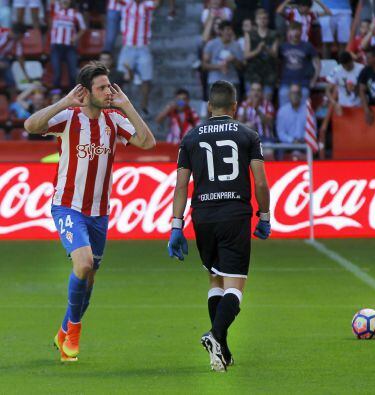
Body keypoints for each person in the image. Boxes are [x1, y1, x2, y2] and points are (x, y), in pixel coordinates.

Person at [24, 62, 156, 362]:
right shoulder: (68, 118)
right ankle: (74, 330)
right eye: (102, 88)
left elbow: (148, 143)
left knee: (90, 277)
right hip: (67, 206)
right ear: (86, 92)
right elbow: (30, 126)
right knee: (82, 265)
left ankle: (62, 330)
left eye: (109, 86)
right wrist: (66, 100)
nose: (108, 92)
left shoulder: (114, 120)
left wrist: (127, 104)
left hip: (99, 212)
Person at [168, 80, 271, 372]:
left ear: (210, 107)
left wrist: (177, 226)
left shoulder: (190, 137)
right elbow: (260, 181)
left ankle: (222, 350)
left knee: (215, 280)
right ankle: (214, 335)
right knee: (235, 286)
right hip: (234, 214)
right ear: (235, 106)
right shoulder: (248, 134)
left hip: (203, 216)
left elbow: (180, 186)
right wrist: (264, 216)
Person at [117, 0, 160, 116]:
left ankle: (144, 105)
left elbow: (157, 3)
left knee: (147, 78)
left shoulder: (147, 5)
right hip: (128, 47)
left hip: (143, 47)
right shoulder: (126, 3)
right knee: (122, 77)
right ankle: (120, 105)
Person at [278, 22, 321, 107]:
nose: (295, 33)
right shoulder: (282, 46)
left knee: (304, 107)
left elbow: (318, 64)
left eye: (297, 30)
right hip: (286, 82)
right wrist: (278, 78)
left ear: (301, 32)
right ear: (288, 32)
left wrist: (314, 80)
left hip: (303, 83)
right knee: (283, 101)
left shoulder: (308, 46)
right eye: (292, 30)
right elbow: (277, 63)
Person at [49, 0, 87, 90]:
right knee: (57, 73)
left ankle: (72, 95)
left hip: (70, 47)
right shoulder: (55, 10)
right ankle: (56, 95)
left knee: (73, 73)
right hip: (56, 46)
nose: (64, 1)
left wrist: (75, 38)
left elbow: (83, 28)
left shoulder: (76, 14)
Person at [243, 8, 278, 99]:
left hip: (268, 75)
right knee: (250, 102)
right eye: (260, 18)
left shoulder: (274, 34)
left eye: (265, 18)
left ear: (268, 20)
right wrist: (258, 50)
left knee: (267, 102)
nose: (262, 20)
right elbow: (246, 55)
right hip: (252, 74)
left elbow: (275, 54)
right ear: (256, 20)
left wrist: (266, 49)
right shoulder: (249, 34)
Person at [202, 21, 244, 97]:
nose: (230, 32)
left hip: (232, 81)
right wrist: (219, 66)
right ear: (221, 31)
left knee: (232, 108)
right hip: (215, 81)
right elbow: (204, 65)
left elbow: (241, 67)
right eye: (227, 29)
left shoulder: (237, 45)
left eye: (231, 30)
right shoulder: (211, 44)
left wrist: (234, 59)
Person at [276, 83, 313, 155]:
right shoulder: (282, 111)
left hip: (304, 144)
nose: (295, 96)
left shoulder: (308, 111)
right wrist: (292, 140)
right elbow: (281, 133)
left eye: (297, 93)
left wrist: (301, 140)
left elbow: (312, 130)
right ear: (289, 95)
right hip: (287, 145)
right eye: (293, 93)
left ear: (301, 95)